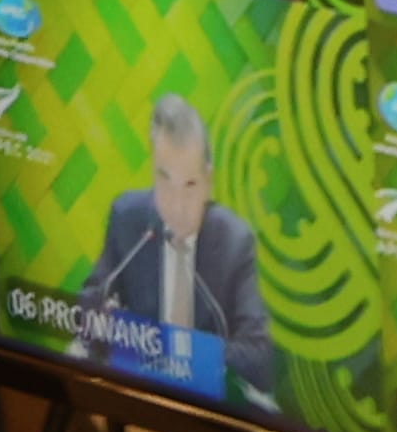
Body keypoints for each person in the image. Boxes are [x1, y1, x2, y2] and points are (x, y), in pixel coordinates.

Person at [83, 91, 279, 409]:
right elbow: (89, 305)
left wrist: (179, 355)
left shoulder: (234, 241)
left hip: (213, 407)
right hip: (137, 395)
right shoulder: (127, 219)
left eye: (190, 185)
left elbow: (259, 356)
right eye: (165, 181)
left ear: (208, 182)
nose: (176, 204)